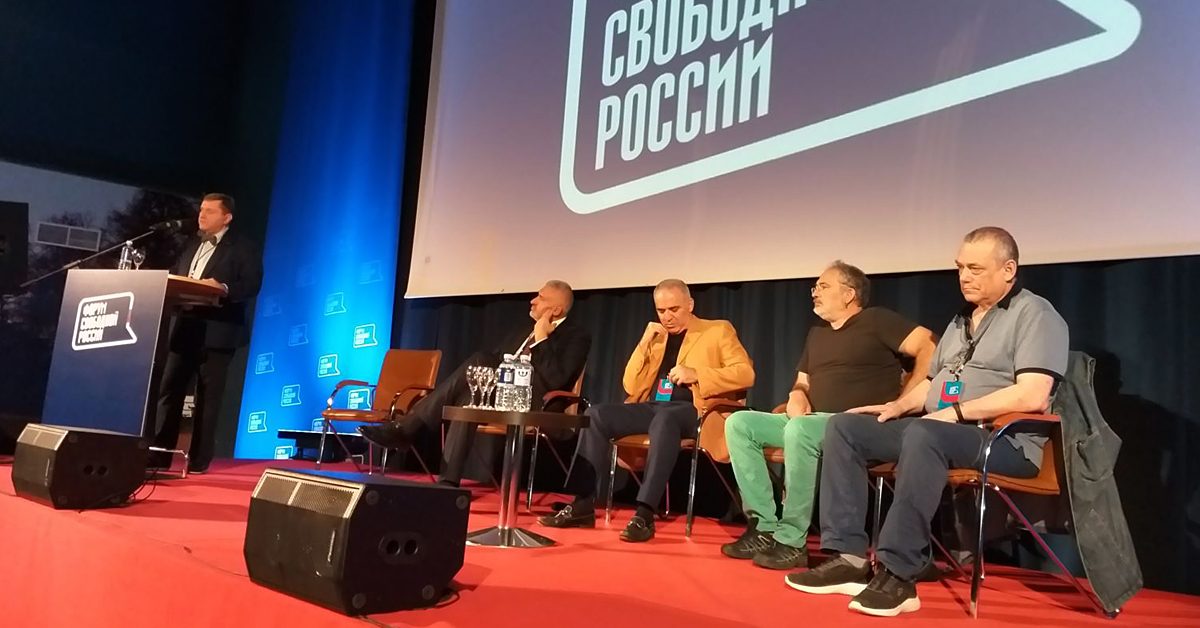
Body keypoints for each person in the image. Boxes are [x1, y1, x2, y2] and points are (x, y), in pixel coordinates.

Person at [786, 227, 1069, 618]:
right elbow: (934, 382)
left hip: (1003, 440)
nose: (964, 276)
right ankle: (848, 558)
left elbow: (1032, 394)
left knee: (925, 432)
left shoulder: (1036, 314)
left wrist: (954, 413)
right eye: (960, 267)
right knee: (845, 428)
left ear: (1008, 270)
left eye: (975, 268)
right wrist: (897, 406)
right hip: (940, 429)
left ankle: (899, 572)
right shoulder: (961, 320)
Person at [721, 261, 936, 570]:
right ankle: (764, 527)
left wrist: (903, 401)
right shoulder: (817, 334)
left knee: (800, 431)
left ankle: (792, 540)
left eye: (823, 286)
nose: (815, 293)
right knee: (739, 423)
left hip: (855, 425)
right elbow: (802, 381)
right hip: (810, 419)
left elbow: (930, 345)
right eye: (815, 287)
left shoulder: (876, 320)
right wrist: (797, 394)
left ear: (849, 294)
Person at [539, 279, 754, 542]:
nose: (667, 317)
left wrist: (697, 374)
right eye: (661, 311)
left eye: (674, 309)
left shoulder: (717, 330)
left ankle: (644, 514)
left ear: (690, 305)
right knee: (596, 415)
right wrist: (644, 342)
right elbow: (630, 384)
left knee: (665, 418)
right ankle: (582, 503)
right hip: (655, 406)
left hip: (697, 410)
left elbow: (745, 374)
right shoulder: (657, 338)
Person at [359, 280, 590, 485]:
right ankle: (448, 483)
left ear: (556, 309)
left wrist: (542, 339)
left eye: (540, 297)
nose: (532, 301)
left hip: (538, 403)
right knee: (469, 398)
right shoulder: (523, 331)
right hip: (501, 394)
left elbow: (555, 378)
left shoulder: (576, 336)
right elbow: (498, 362)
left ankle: (408, 428)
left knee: (480, 360)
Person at [153, 193, 262, 474]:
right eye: (201, 209)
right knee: (169, 391)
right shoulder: (192, 245)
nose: (202, 215)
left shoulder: (243, 248)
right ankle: (159, 455)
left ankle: (199, 460)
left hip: (218, 330)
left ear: (227, 217)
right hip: (185, 327)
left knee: (208, 396)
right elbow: (178, 275)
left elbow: (251, 284)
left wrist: (223, 287)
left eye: (210, 211)